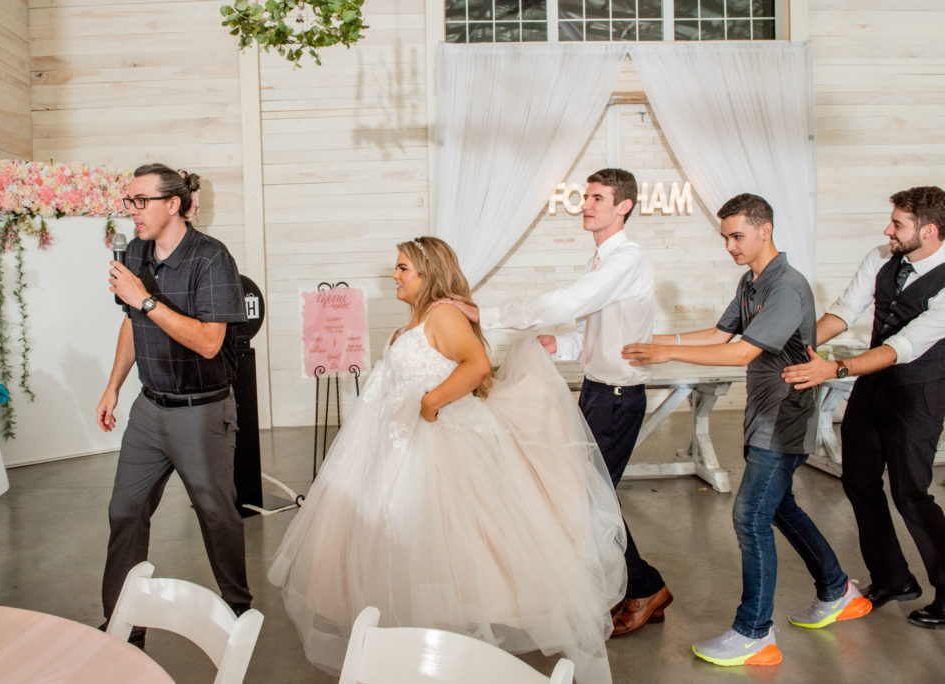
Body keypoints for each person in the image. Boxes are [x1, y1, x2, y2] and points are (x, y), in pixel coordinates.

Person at [268, 236, 627, 681]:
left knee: (447, 539)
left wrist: (432, 401)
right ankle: (416, 641)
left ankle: (443, 646)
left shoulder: (443, 314)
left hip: (436, 442)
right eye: (396, 268)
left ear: (428, 273)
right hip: (399, 441)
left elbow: (475, 365)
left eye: (403, 268)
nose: (395, 275)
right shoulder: (421, 318)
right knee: (404, 538)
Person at [622, 193, 871, 667]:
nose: (730, 246)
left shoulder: (787, 287)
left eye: (737, 236)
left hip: (786, 418)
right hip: (765, 413)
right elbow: (720, 335)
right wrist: (652, 341)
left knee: (750, 517)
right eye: (725, 238)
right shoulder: (750, 281)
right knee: (779, 508)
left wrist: (668, 355)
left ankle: (754, 632)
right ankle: (837, 590)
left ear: (765, 230)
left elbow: (741, 353)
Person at [477, 168, 672, 637]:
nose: (585, 205)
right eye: (585, 197)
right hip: (596, 392)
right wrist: (558, 347)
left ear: (623, 206)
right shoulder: (601, 262)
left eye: (597, 198)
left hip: (619, 398)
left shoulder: (627, 259)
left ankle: (645, 587)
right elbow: (588, 332)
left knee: (588, 499)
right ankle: (636, 587)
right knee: (584, 496)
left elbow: (568, 303)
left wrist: (486, 314)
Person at [95, 163, 252, 642]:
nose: (132, 211)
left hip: (201, 410)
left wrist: (144, 300)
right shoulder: (137, 252)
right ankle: (124, 622)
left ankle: (238, 612)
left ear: (174, 204)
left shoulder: (212, 258)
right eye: (128, 201)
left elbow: (208, 342)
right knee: (125, 510)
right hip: (148, 409)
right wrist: (113, 386)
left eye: (141, 200)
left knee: (215, 513)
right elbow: (131, 323)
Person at [781, 186, 945, 630]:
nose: (886, 229)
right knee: (859, 481)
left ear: (928, 232)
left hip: (919, 391)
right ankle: (893, 578)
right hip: (873, 388)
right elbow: (845, 311)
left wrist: (833, 371)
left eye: (897, 224)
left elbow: (903, 347)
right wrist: (795, 347)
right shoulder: (881, 257)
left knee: (911, 492)